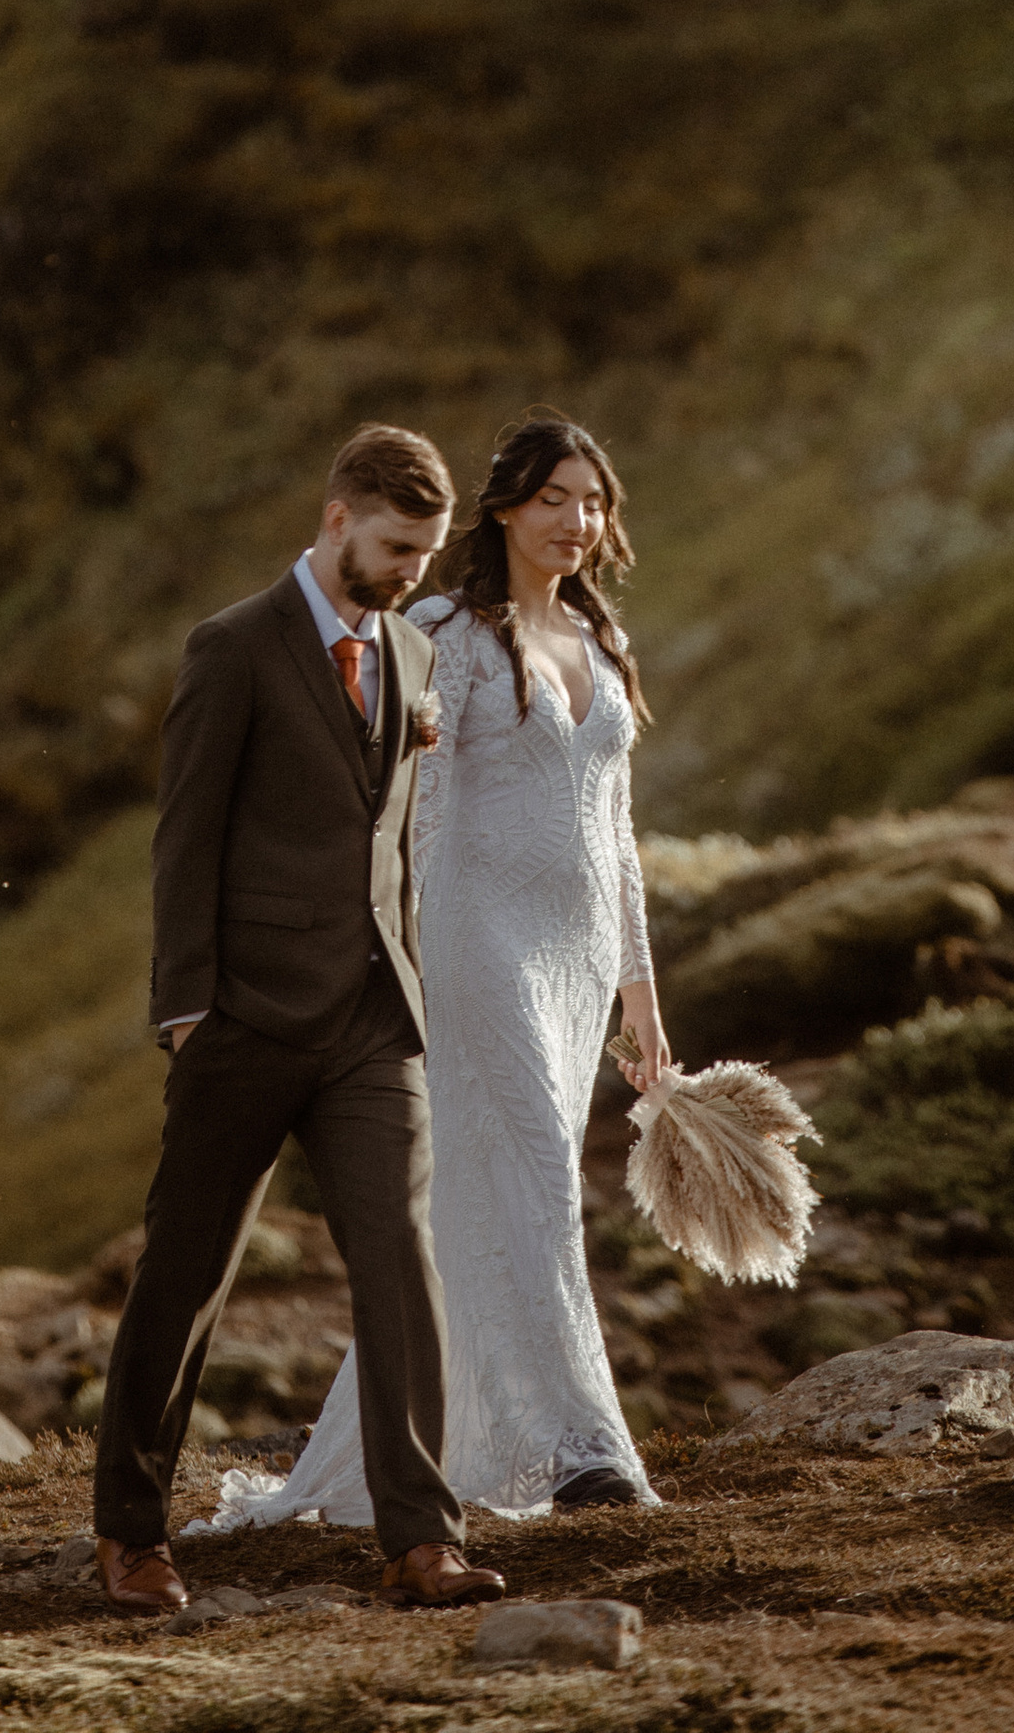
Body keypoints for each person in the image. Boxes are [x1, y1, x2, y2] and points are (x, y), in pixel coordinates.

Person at [211, 407, 673, 1532]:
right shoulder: (448, 632)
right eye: (555, 498)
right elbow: (412, 810)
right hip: (475, 948)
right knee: (537, 1193)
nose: (577, 520)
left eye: (592, 501)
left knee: (495, 1199)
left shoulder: (602, 644)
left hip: (572, 966)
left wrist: (641, 998)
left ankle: (441, 1441)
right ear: (506, 507)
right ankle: (579, 1453)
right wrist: (399, 955)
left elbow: (615, 836)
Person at [91, 423, 507, 1615]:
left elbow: (391, 846)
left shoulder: (413, 660)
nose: (409, 574)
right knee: (188, 1275)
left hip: (372, 1021)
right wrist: (184, 1010)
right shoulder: (232, 647)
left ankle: (421, 1537)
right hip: (242, 1022)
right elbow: (185, 838)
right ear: (336, 521)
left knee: (399, 1266)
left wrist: (414, 982)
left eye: (424, 555)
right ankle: (131, 1534)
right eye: (392, 548)